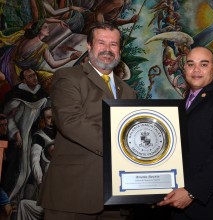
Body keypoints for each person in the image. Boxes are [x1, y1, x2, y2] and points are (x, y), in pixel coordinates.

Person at [38, 22, 136, 220]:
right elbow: (71, 121)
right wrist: (122, 147)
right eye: (101, 43)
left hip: (117, 197)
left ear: (120, 50)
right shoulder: (68, 77)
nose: (107, 50)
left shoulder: (128, 91)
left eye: (114, 45)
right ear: (89, 46)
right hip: (74, 192)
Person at [157, 46, 213, 219]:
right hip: (177, 201)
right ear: (184, 68)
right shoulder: (180, 106)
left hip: (208, 206)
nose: (196, 70)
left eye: (204, 64)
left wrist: (191, 192)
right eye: (191, 64)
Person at [2, 68, 48, 204]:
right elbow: (8, 118)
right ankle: (9, 200)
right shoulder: (16, 95)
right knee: (20, 170)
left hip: (33, 135)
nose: (34, 78)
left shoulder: (42, 93)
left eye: (34, 75)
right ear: (24, 80)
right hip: (19, 138)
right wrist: (16, 134)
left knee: (31, 170)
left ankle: (20, 200)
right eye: (30, 76)